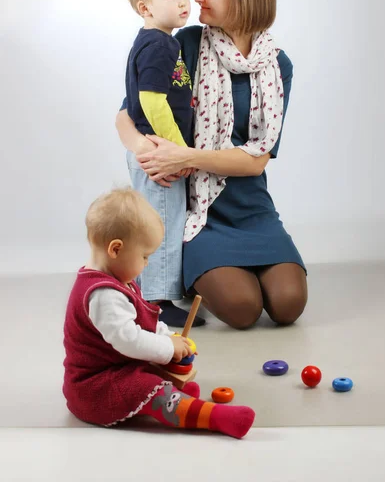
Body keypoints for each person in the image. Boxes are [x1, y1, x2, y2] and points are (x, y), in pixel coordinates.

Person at [116, 0, 308, 330]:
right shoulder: (183, 44)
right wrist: (147, 151)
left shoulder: (278, 65)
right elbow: (128, 112)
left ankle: (224, 269)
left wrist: (184, 155)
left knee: (288, 305)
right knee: (242, 309)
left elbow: (257, 159)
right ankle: (182, 274)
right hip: (198, 212)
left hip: (252, 208)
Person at [63, 187, 255, 438]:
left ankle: (176, 396)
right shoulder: (103, 295)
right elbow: (129, 340)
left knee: (152, 373)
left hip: (118, 366)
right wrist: (167, 349)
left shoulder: (118, 280)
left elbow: (143, 320)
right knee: (149, 388)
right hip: (95, 387)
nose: (146, 264)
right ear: (116, 249)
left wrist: (169, 337)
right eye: (144, 256)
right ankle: (214, 418)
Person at [123, 0, 204, 327]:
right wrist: (176, 149)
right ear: (145, 7)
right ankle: (157, 300)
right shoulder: (159, 46)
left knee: (157, 219)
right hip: (159, 152)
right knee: (162, 222)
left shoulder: (156, 41)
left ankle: (147, 292)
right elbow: (152, 101)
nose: (183, 1)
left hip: (153, 148)